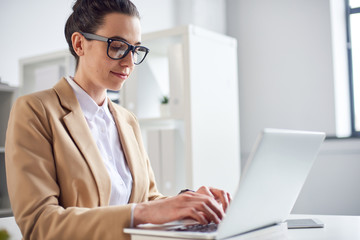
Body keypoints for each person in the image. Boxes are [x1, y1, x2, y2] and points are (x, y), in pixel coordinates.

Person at [5, 0, 231, 239]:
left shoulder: (127, 120)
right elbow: (40, 223)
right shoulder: (36, 111)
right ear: (79, 44)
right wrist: (143, 212)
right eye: (117, 46)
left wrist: (192, 202)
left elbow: (148, 200)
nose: (129, 62)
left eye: (135, 49)